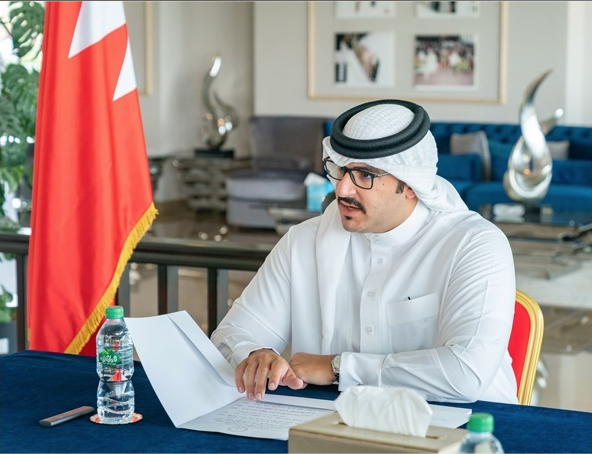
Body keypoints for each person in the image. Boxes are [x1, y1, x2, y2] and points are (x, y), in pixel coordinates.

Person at [212, 99, 518, 405]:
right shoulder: (303, 242)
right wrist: (255, 355)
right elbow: (231, 334)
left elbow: (466, 374)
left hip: (469, 430)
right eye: (341, 170)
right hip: (333, 427)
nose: (342, 190)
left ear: (411, 184)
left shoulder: (475, 245)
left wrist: (338, 367)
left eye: (365, 175)